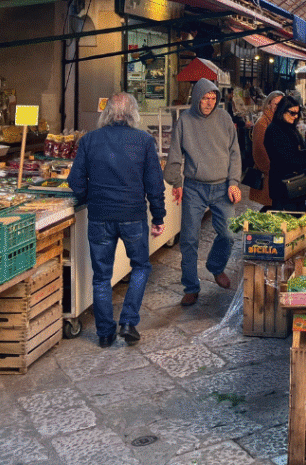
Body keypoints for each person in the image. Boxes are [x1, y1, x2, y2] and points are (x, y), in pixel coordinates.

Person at [67, 92, 165, 348]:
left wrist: (89, 197)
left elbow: (75, 181)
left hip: (100, 216)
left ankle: (104, 333)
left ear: (106, 113)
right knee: (141, 266)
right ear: (134, 113)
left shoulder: (89, 140)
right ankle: (129, 321)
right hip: (132, 214)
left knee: (101, 276)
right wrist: (158, 216)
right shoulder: (144, 140)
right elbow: (154, 184)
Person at [164, 78, 242, 307]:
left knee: (229, 233)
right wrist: (176, 182)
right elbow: (174, 155)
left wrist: (234, 182)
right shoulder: (184, 121)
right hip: (194, 188)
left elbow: (235, 153)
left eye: (213, 98)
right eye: (205, 98)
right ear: (197, 98)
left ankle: (216, 266)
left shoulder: (225, 118)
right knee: (189, 239)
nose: (209, 102)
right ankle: (191, 287)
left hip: (222, 186)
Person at [265, 95, 306, 212]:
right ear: (282, 111)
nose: (295, 116)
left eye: (297, 113)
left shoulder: (291, 128)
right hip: (284, 187)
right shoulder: (274, 130)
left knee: (299, 218)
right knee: (287, 220)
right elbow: (288, 158)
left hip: (297, 187)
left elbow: (301, 151)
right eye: (292, 113)